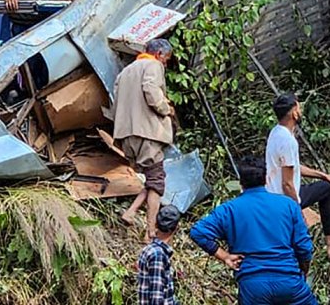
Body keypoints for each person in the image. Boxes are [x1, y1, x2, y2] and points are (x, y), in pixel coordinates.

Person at [190, 156, 318, 305]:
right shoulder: (288, 205)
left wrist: (224, 256)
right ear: (267, 179)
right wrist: (303, 271)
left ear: (241, 183)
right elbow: (304, 247)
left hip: (253, 285)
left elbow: (198, 232)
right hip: (288, 280)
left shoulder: (229, 209)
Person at [266, 93, 330, 259]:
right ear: (294, 113)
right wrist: (297, 210)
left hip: (274, 194)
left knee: (326, 185)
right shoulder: (287, 141)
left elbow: (293, 167)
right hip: (284, 199)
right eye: (298, 107)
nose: (301, 110)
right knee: (327, 190)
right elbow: (287, 184)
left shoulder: (276, 133)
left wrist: (322, 175)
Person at [113, 39, 175, 241]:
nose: (165, 64)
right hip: (148, 132)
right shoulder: (153, 65)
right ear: (159, 54)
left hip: (126, 134)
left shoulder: (125, 72)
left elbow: (115, 101)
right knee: (157, 182)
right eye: (166, 59)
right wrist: (165, 108)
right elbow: (151, 90)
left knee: (152, 178)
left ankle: (130, 212)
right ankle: (151, 232)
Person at [137, 205, 181, 305]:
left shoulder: (151, 249)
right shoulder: (158, 255)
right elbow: (156, 297)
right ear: (176, 228)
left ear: (156, 224)